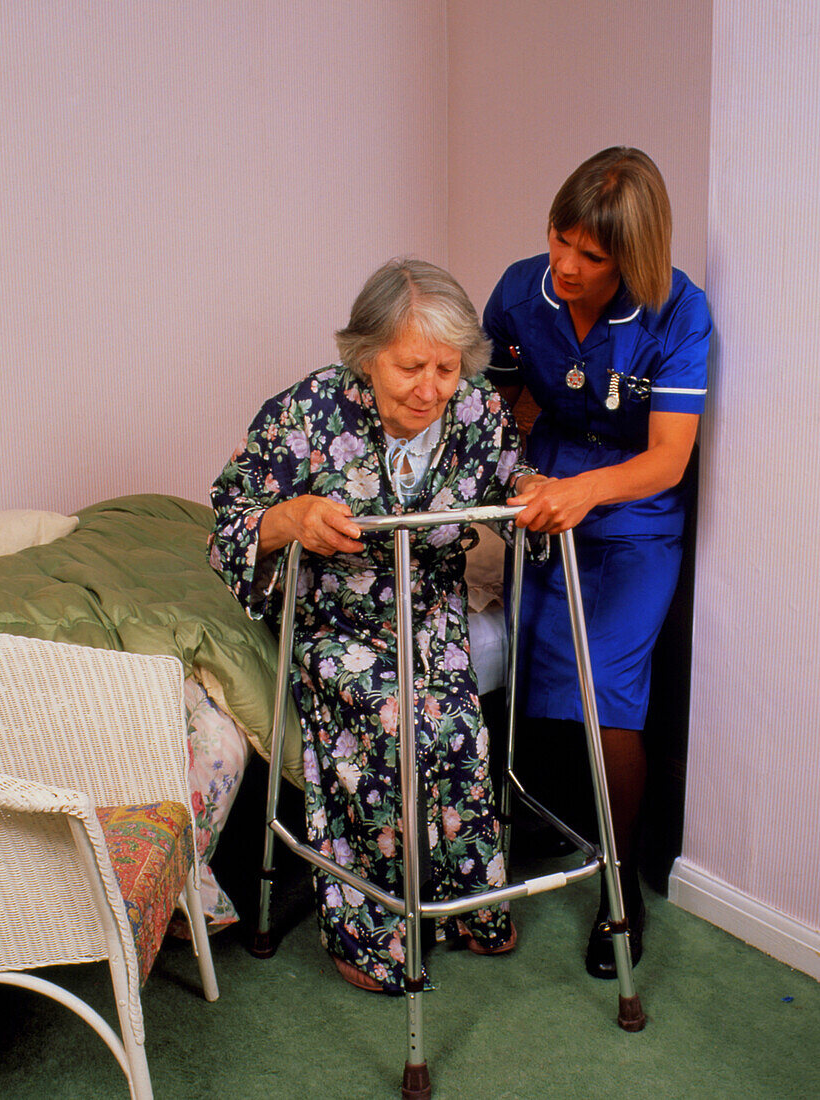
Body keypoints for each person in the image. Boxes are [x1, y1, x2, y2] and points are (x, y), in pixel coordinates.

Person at [208, 258, 546, 994]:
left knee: (454, 721)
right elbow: (228, 523)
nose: (431, 388)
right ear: (365, 355)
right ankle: (370, 931)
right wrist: (287, 520)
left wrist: (530, 491)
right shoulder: (304, 415)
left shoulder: (479, 410)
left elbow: (507, 478)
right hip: (336, 620)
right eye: (410, 367)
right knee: (391, 718)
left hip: (430, 614)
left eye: (447, 368)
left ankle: (465, 904)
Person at [488, 147, 712, 978]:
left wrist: (588, 494)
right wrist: (510, 476)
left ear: (632, 258)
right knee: (533, 661)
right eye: (560, 240)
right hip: (542, 495)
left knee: (609, 685)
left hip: (635, 517)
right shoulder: (520, 290)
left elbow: (668, 459)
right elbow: (499, 404)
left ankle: (622, 893)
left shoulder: (678, 313)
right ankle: (540, 826)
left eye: (593, 255)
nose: (568, 266)